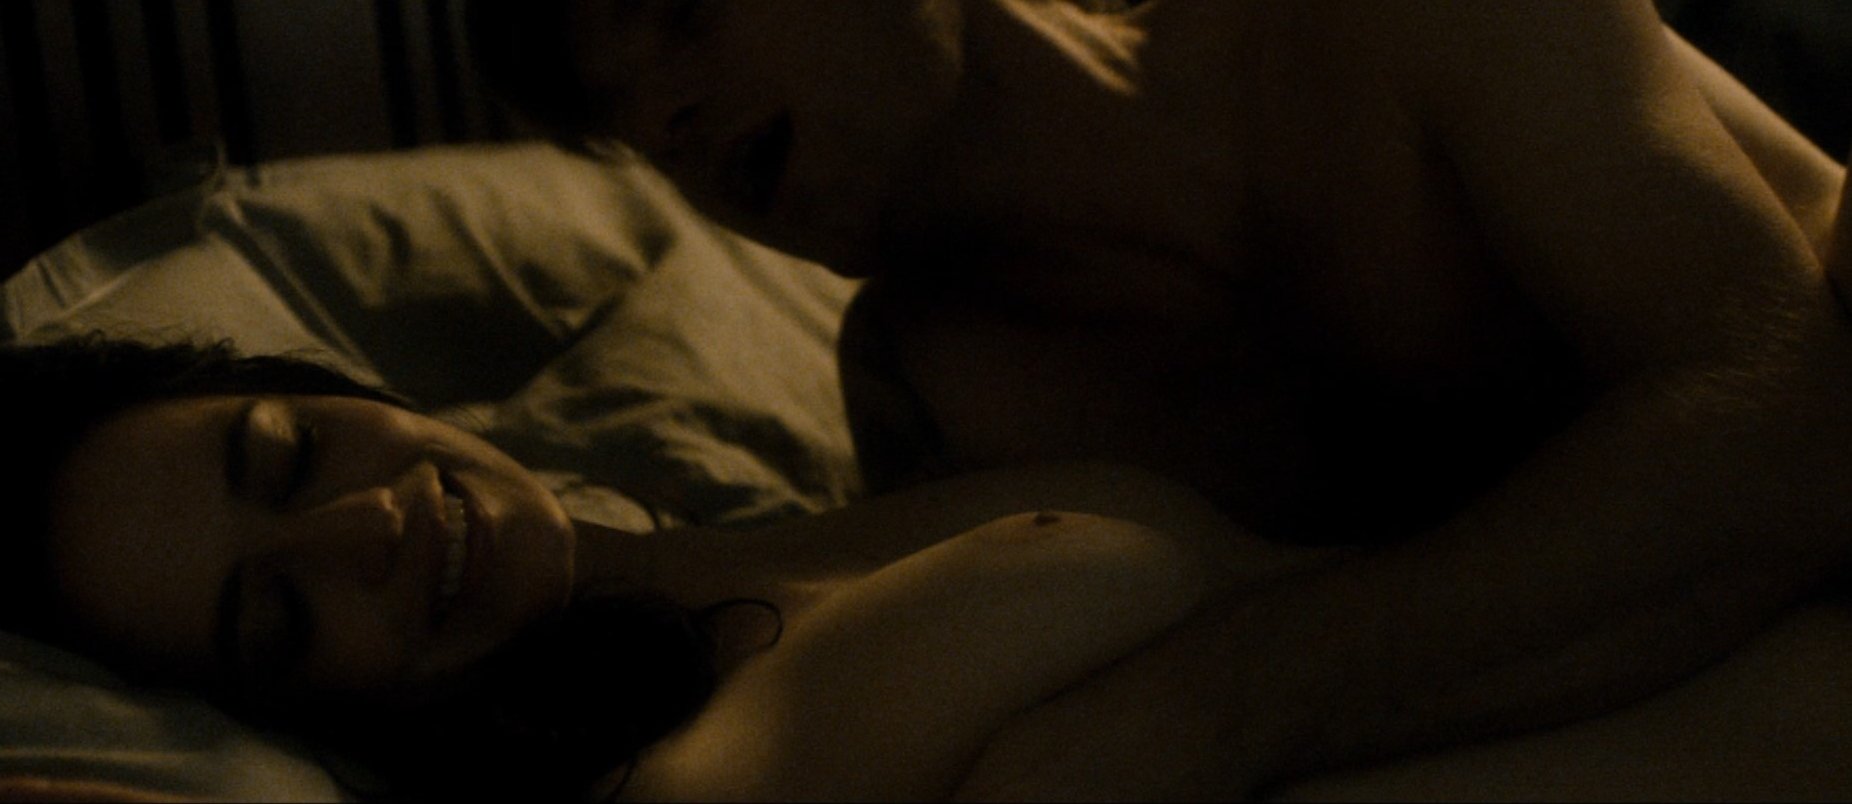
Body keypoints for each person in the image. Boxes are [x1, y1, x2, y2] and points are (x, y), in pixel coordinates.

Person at [465, 0, 1852, 797]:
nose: (664, 121)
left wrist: (1215, 704)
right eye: (612, 111)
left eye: (680, 11)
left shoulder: (1392, 24)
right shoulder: (935, 387)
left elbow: (1790, 426)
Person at [0, 335, 1323, 801]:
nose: (362, 533)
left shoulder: (846, 480)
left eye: (290, 452)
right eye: (279, 618)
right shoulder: (688, 770)